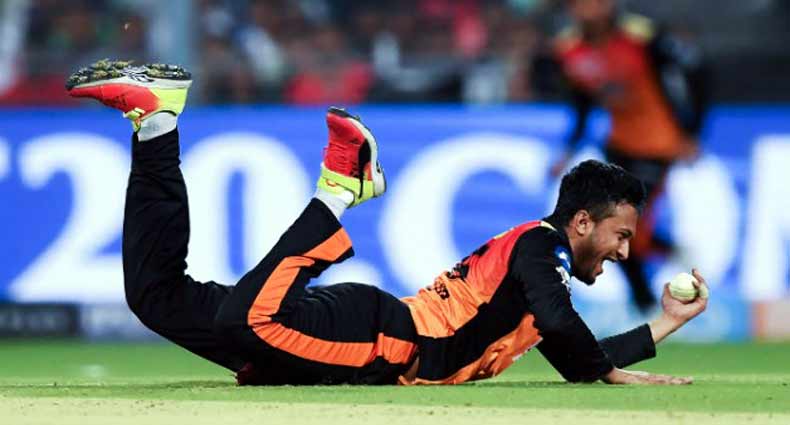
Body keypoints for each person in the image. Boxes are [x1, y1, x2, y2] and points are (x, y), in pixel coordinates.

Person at [66, 59, 708, 386]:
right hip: (381, 339)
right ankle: (341, 189)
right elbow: (570, 334)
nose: (626, 251)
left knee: (156, 297)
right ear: (581, 222)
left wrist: (665, 324)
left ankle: (157, 124)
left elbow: (577, 354)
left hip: (360, 331)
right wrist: (603, 370)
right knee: (246, 320)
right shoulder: (542, 250)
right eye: (621, 235)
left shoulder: (535, 287)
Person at [547, 0, 709, 313]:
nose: (589, 9)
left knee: (620, 229)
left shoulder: (642, 36)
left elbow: (696, 73)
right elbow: (582, 104)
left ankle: (645, 303)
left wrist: (691, 132)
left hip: (658, 144)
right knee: (603, 229)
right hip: (618, 144)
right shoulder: (568, 50)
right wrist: (568, 149)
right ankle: (651, 292)